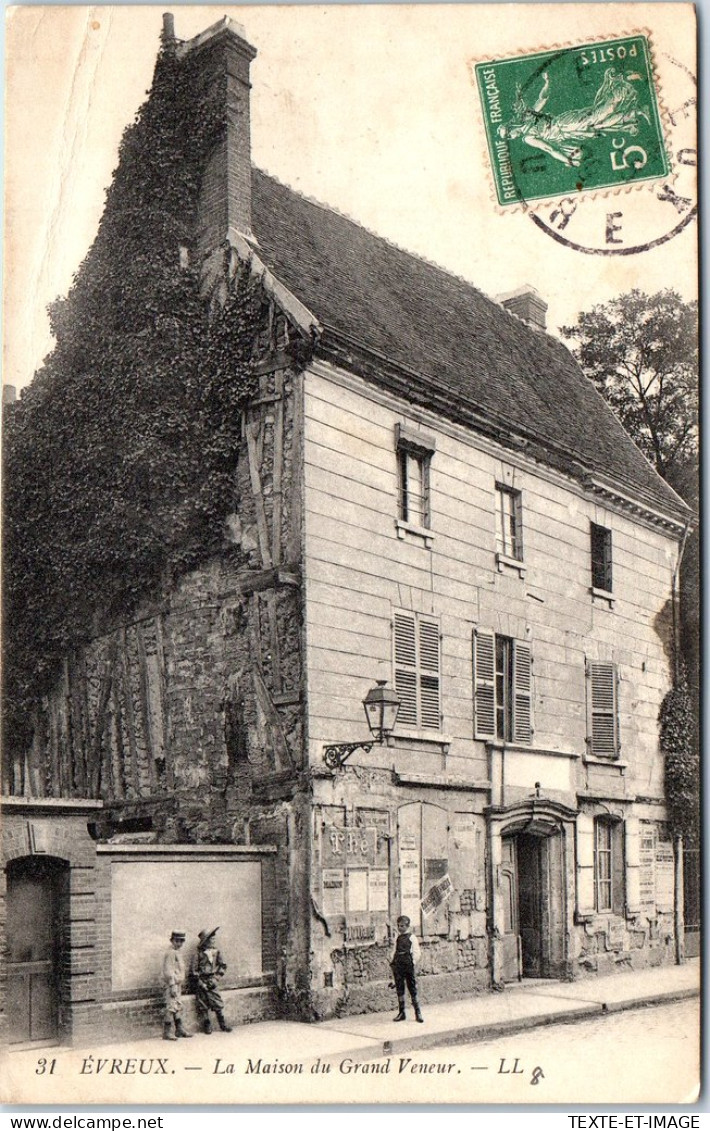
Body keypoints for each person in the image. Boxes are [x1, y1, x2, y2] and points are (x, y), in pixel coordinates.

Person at [497, 68, 651, 168]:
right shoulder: (527, 136)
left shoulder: (527, 121)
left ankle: (619, 87)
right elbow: (550, 148)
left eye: (509, 134)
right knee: (599, 124)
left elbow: (542, 100)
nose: (511, 137)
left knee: (596, 116)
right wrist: (568, 160)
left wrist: (547, 83)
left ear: (511, 128)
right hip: (567, 134)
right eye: (509, 138)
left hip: (564, 123)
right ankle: (634, 113)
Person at [192, 927, 233, 1034]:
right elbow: (194, 971)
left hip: (212, 980)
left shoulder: (216, 952)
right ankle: (207, 1025)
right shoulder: (198, 954)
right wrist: (201, 983)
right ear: (205, 941)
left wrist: (216, 978)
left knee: (217, 1002)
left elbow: (223, 966)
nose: (213, 941)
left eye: (214, 939)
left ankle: (223, 1024)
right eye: (211, 939)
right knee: (203, 1004)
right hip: (202, 981)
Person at [389, 915, 423, 1023]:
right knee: (400, 989)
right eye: (398, 926)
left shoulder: (412, 937)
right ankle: (402, 1012)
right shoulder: (397, 938)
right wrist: (392, 961)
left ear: (407, 926)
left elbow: (417, 953)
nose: (400, 928)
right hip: (398, 965)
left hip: (408, 965)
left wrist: (411, 963)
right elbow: (394, 951)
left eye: (402, 926)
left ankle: (418, 1012)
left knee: (412, 988)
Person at [162, 930, 192, 1040]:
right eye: (176, 941)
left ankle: (179, 1029)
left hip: (177, 984)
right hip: (172, 985)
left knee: (177, 1006)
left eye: (181, 941)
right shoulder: (170, 953)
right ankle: (167, 1032)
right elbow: (168, 970)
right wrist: (172, 985)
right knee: (171, 1007)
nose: (179, 944)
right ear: (172, 941)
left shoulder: (177, 953)